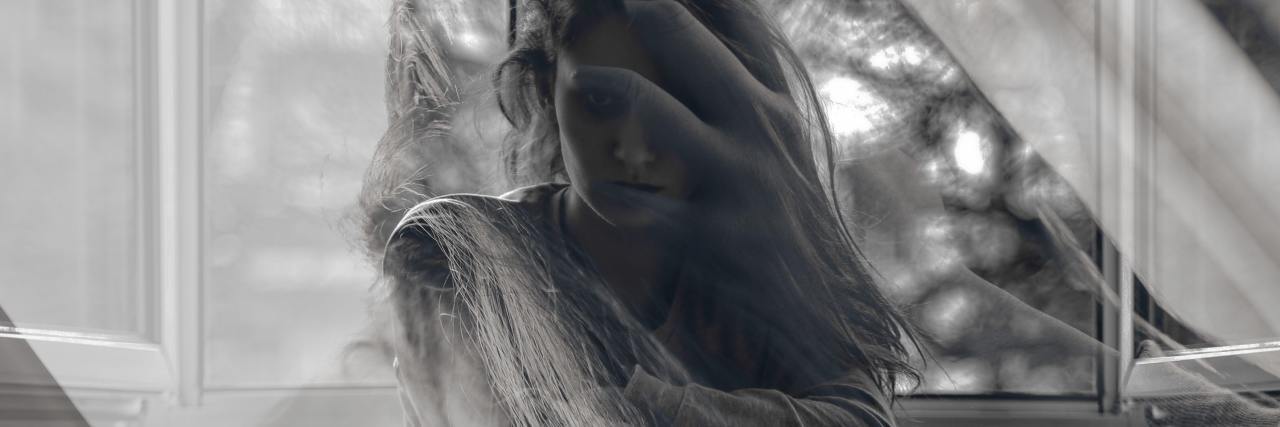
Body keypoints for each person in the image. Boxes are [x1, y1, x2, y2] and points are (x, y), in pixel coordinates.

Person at [365, 0, 920, 425]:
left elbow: (863, 416)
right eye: (602, 102)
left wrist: (782, 202)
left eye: (676, 107)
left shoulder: (739, 269)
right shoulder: (460, 255)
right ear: (545, 91)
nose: (633, 150)